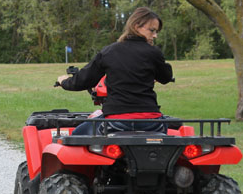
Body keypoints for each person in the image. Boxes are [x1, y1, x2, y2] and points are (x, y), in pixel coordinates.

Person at [57, 7, 173, 135]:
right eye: (152, 30)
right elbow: (166, 77)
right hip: (151, 122)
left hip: (117, 121)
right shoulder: (153, 52)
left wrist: (63, 81)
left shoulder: (109, 52)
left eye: (156, 31)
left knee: (77, 135)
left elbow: (83, 80)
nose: (155, 35)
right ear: (136, 26)